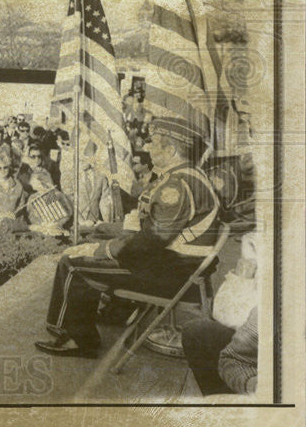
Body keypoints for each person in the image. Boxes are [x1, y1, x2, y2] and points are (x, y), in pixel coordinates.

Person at [35, 117, 222, 358]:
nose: (147, 148)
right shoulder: (189, 176)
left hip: (173, 274)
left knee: (72, 264)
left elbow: (148, 243)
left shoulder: (176, 186)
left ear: (171, 149)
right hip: (183, 268)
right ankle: (117, 310)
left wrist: (99, 250)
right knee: (93, 240)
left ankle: (77, 338)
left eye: (154, 143)